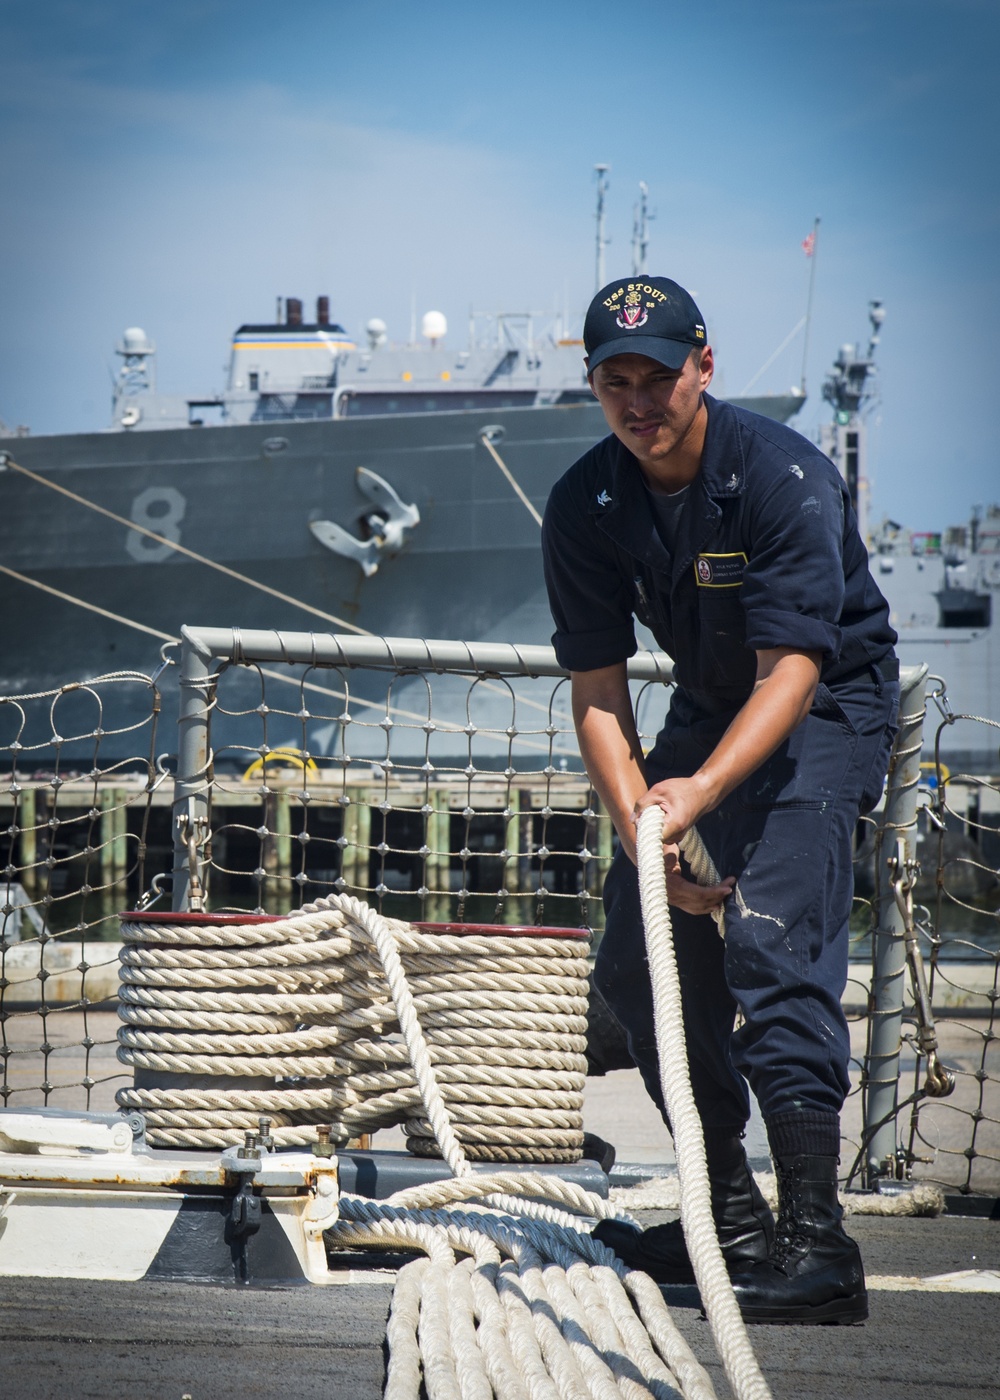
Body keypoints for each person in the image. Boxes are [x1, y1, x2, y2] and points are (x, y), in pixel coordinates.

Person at [541, 276, 899, 1325]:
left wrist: (696, 788)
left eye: (660, 375)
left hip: (825, 700)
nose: (639, 400)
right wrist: (646, 836)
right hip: (707, 699)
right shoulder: (584, 502)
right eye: (617, 380)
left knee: (769, 940)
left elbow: (791, 670)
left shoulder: (781, 474)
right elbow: (600, 694)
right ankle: (730, 1218)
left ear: (705, 366)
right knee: (637, 954)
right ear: (595, 386)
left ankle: (819, 1242)